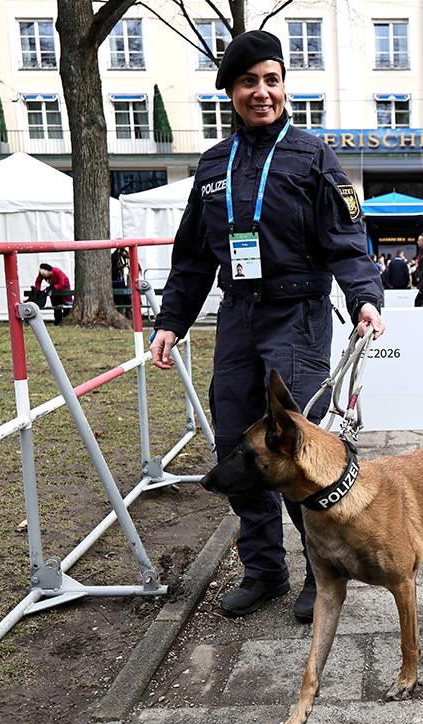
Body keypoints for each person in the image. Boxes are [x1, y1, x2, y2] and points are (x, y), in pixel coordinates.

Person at [148, 29, 385, 623]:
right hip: (237, 318)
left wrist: (364, 296)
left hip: (299, 316)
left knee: (295, 448)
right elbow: (192, 257)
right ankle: (264, 569)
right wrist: (171, 321)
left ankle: (319, 570)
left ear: (285, 86)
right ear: (230, 90)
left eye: (272, 80)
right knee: (236, 441)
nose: (262, 92)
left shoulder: (312, 157)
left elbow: (348, 239)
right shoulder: (210, 167)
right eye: (249, 81)